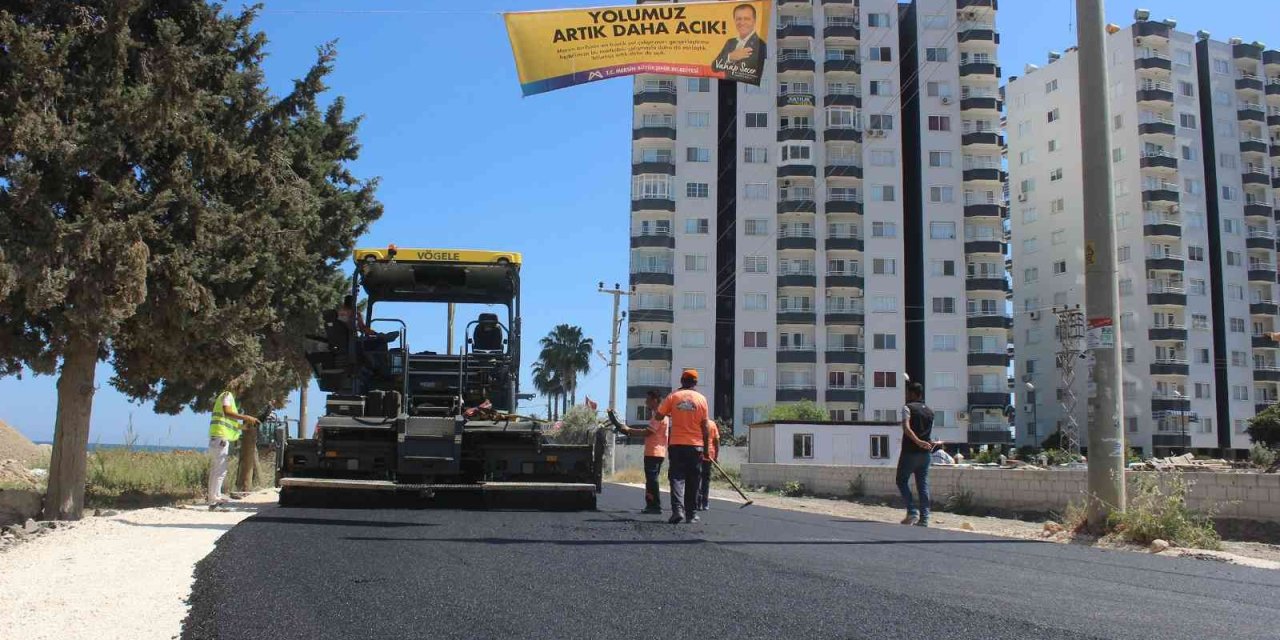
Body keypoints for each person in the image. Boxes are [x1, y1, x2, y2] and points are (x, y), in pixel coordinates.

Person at [654, 369, 710, 524]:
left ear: (681, 381)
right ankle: (691, 514)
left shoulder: (673, 396)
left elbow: (658, 416)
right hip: (696, 446)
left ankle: (678, 510)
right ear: (696, 383)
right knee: (693, 480)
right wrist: (706, 449)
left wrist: (671, 412)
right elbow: (705, 426)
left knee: (677, 478)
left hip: (677, 445)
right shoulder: (702, 399)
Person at [207, 376, 259, 507]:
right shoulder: (227, 395)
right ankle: (215, 498)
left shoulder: (226, 397)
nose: (242, 391)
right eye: (242, 388)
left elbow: (228, 421)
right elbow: (227, 412)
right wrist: (246, 417)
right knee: (220, 470)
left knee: (216, 469)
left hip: (217, 437)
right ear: (238, 387)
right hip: (220, 438)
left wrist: (243, 427)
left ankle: (213, 497)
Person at [616, 391, 669, 514]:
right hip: (655, 452)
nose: (646, 402)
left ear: (655, 400)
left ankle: (655, 506)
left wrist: (629, 430)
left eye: (648, 400)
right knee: (651, 479)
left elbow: (648, 432)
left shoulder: (659, 416)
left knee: (652, 479)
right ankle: (651, 504)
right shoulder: (658, 415)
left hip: (654, 452)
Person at [897, 382, 937, 527]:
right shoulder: (930, 412)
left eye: (908, 393)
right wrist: (924, 442)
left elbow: (906, 428)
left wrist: (917, 441)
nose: (906, 395)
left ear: (913, 393)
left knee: (901, 480)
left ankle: (912, 511)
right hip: (926, 454)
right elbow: (928, 432)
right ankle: (925, 518)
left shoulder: (908, 408)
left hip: (910, 451)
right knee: (923, 485)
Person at [711, 4, 767, 84]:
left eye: (746, 19)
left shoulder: (761, 45)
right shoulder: (730, 42)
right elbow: (714, 67)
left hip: (746, 92)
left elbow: (756, 76)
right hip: (728, 88)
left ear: (754, 20)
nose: (742, 22)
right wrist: (730, 57)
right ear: (734, 20)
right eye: (738, 19)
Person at [696, 419, 720, 511]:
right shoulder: (712, 424)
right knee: (705, 479)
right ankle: (704, 502)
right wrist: (716, 456)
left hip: (698, 453)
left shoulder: (696, 423)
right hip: (709, 455)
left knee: (697, 478)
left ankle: (698, 502)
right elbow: (716, 441)